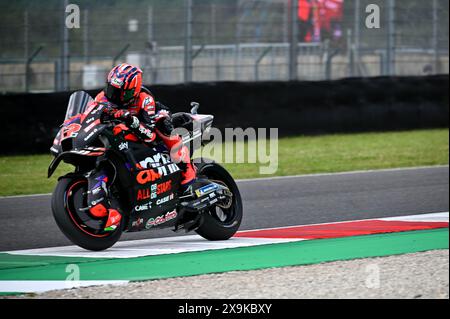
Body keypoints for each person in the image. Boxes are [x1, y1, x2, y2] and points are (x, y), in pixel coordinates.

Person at [86, 63, 196, 231]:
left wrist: (132, 120)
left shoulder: (144, 99)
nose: (113, 94)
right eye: (111, 88)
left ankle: (188, 170)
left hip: (148, 124)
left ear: (132, 90)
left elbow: (150, 134)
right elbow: (88, 118)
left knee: (163, 126)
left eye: (119, 91)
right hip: (122, 135)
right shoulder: (101, 97)